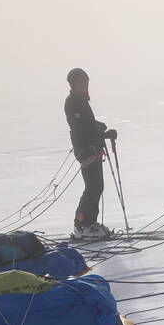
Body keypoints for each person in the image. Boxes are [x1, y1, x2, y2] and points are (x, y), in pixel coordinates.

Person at [64, 68, 117, 239]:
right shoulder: (73, 102)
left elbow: (90, 124)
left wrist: (104, 133)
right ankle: (81, 225)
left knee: (97, 186)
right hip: (85, 150)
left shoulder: (82, 100)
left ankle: (90, 222)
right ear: (73, 84)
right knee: (92, 187)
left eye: (86, 82)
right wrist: (90, 144)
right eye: (81, 82)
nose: (85, 85)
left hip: (93, 148)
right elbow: (80, 127)